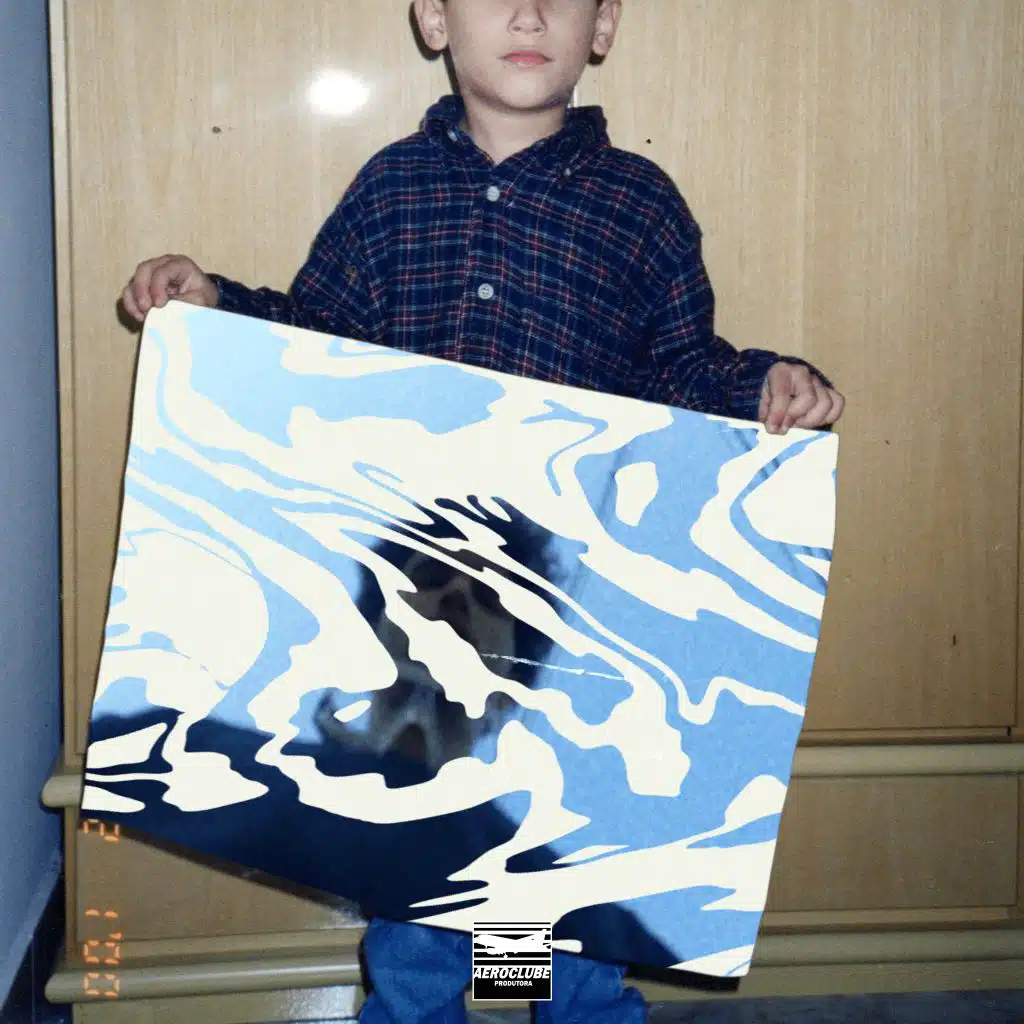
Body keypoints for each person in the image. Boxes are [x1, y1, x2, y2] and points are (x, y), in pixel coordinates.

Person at [121, 1, 845, 1020]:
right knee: (418, 844)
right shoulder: (391, 191)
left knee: (550, 847)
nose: (527, 11)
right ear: (434, 18)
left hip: (573, 594)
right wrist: (218, 308)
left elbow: (679, 369)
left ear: (603, 26)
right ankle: (421, 1002)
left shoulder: (639, 206)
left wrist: (763, 384)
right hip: (417, 591)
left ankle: (551, 995)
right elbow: (318, 340)